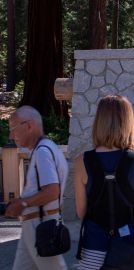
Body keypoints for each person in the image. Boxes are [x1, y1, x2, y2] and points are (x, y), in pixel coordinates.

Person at [74, 95, 134, 269]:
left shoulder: (82, 160)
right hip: (132, 247)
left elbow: (81, 212)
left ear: (99, 122)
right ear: (128, 122)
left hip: (94, 247)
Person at [6, 106, 68, 270]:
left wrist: (23, 203)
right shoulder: (47, 148)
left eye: (13, 129)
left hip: (40, 225)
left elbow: (52, 190)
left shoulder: (42, 152)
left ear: (28, 125)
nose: (11, 135)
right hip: (34, 225)